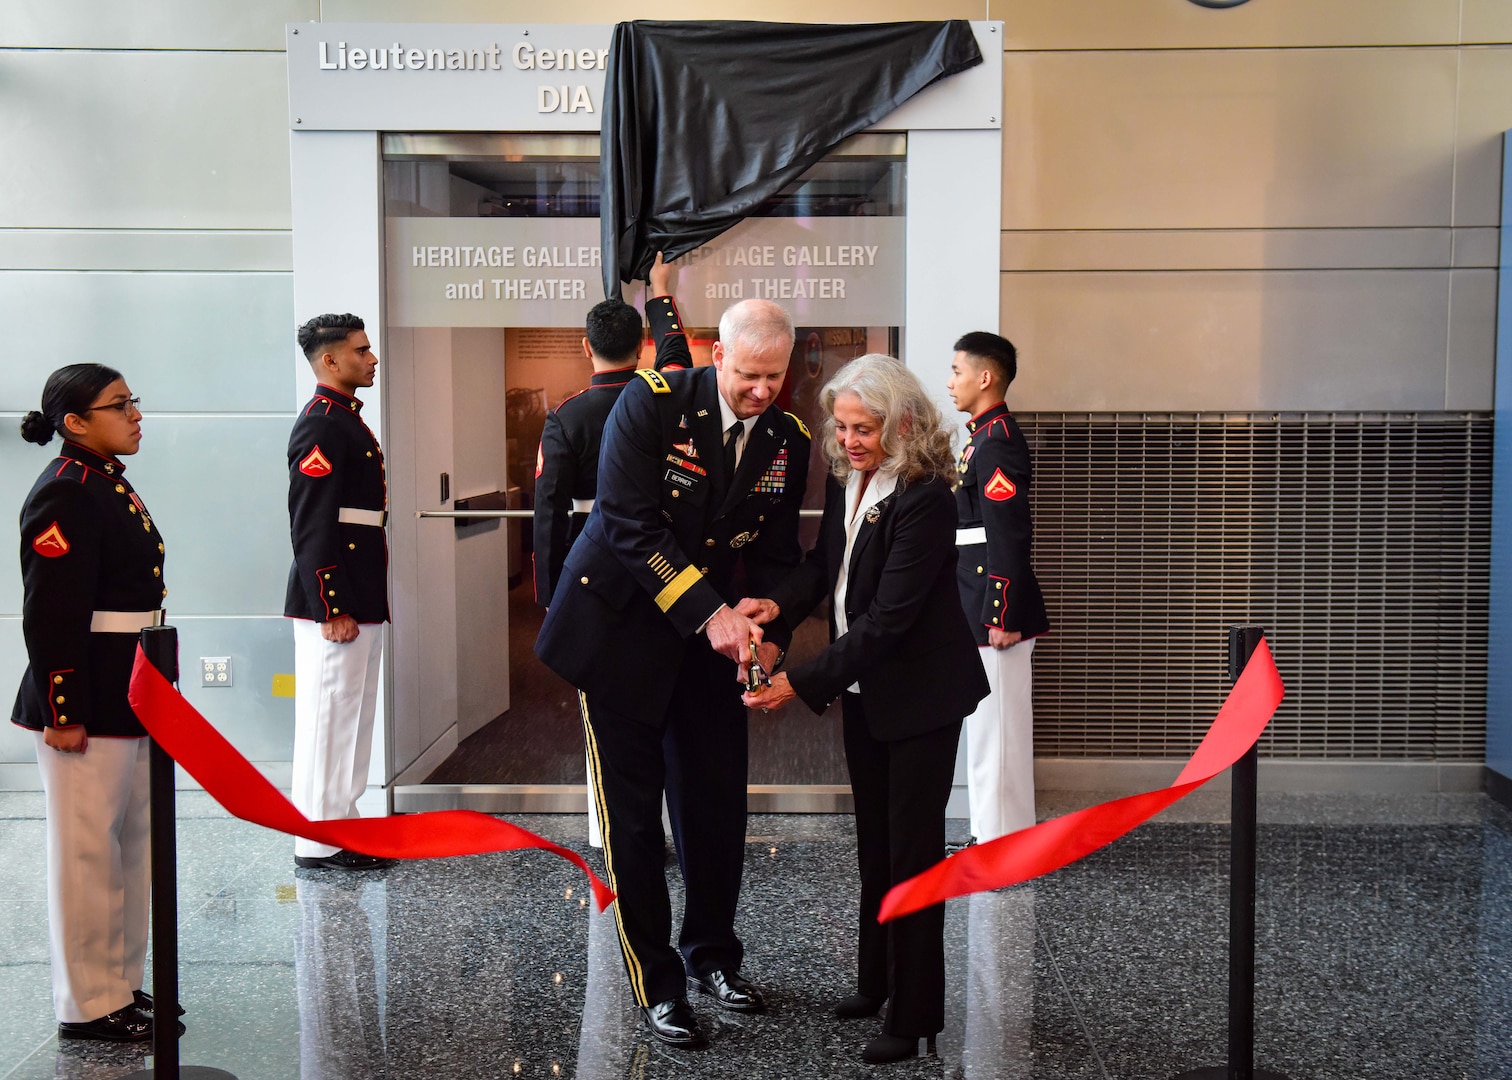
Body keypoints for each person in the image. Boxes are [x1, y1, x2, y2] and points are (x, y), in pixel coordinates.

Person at [535, 296, 811, 1049]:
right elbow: (628, 521)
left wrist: (773, 625)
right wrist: (710, 613)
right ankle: (657, 984)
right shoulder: (650, 404)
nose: (762, 391)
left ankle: (713, 958)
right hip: (619, 636)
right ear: (718, 355)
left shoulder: (788, 437)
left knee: (716, 809)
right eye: (749, 375)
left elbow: (781, 553)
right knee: (633, 822)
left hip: (709, 651)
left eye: (775, 377)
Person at [738, 355, 988, 1065]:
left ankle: (914, 1018)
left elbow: (887, 622)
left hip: (919, 700)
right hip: (868, 694)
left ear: (903, 423)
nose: (847, 440)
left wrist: (796, 681)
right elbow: (827, 568)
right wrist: (778, 604)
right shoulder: (858, 478)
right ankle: (876, 983)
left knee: (911, 855)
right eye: (842, 427)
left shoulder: (926, 497)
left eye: (864, 427)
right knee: (876, 846)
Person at [12, 365, 175, 1041]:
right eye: (119, 405)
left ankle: (120, 985)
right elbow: (50, 612)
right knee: (87, 856)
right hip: (86, 695)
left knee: (130, 847)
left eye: (134, 401)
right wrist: (63, 709)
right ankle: (85, 1004)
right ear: (74, 422)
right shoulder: (65, 492)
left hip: (127, 686)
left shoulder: (104, 480)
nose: (136, 414)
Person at [534, 256, 690, 850]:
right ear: (641, 345)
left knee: (602, 713)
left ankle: (610, 834)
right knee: (666, 700)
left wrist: (550, 600)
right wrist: (661, 293)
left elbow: (549, 514)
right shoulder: (666, 395)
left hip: (593, 582)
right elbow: (678, 354)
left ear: (584, 347)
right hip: (666, 571)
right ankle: (672, 824)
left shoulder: (567, 416)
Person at [285, 313, 394, 872]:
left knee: (351, 714)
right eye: (362, 351)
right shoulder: (322, 424)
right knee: (330, 719)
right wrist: (331, 606)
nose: (371, 359)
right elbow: (311, 523)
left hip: (359, 591)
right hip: (337, 599)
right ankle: (318, 840)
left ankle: (340, 825)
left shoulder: (344, 419)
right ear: (330, 361)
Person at [945, 332, 1049, 846]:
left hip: (995, 609)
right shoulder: (982, 436)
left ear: (985, 378)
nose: (950, 382)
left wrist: (1002, 613)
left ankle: (1001, 847)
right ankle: (997, 840)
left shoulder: (998, 437)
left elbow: (1008, 532)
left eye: (957, 372)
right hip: (978, 601)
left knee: (998, 735)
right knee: (989, 732)